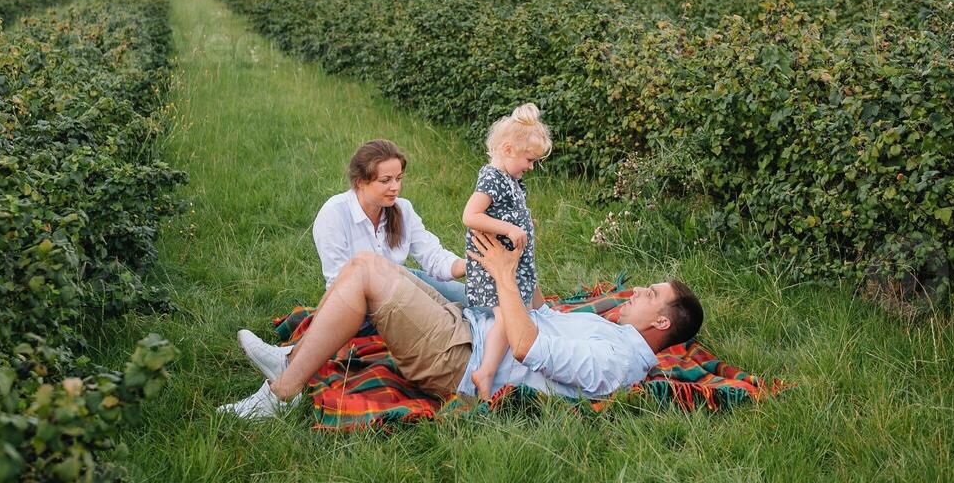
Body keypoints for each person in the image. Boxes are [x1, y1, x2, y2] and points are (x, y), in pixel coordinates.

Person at [217, 231, 703, 419]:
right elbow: (543, 315)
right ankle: (292, 360)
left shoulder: (618, 360)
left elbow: (529, 346)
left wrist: (505, 280)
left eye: (651, 294)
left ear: (661, 321)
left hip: (460, 358)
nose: (638, 291)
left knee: (367, 272)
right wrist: (519, 254)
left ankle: (280, 395)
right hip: (468, 327)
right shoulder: (613, 332)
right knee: (380, 267)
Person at [235, 139, 468, 375]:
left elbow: (434, 256)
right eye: (385, 181)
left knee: (476, 300)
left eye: (399, 178)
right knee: (447, 319)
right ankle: (288, 359)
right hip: (366, 306)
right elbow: (339, 285)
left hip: (404, 282)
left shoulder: (403, 209)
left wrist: (471, 265)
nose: (395, 187)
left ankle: (493, 337)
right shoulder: (334, 214)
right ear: (360, 182)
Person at [461, 103, 550, 399]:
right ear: (509, 149)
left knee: (527, 299)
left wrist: (521, 222)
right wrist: (509, 228)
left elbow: (509, 210)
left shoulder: (512, 180)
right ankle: (485, 372)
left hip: (515, 262)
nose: (531, 166)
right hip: (494, 266)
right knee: (506, 317)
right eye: (529, 159)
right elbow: (471, 216)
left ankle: (545, 316)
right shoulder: (492, 177)